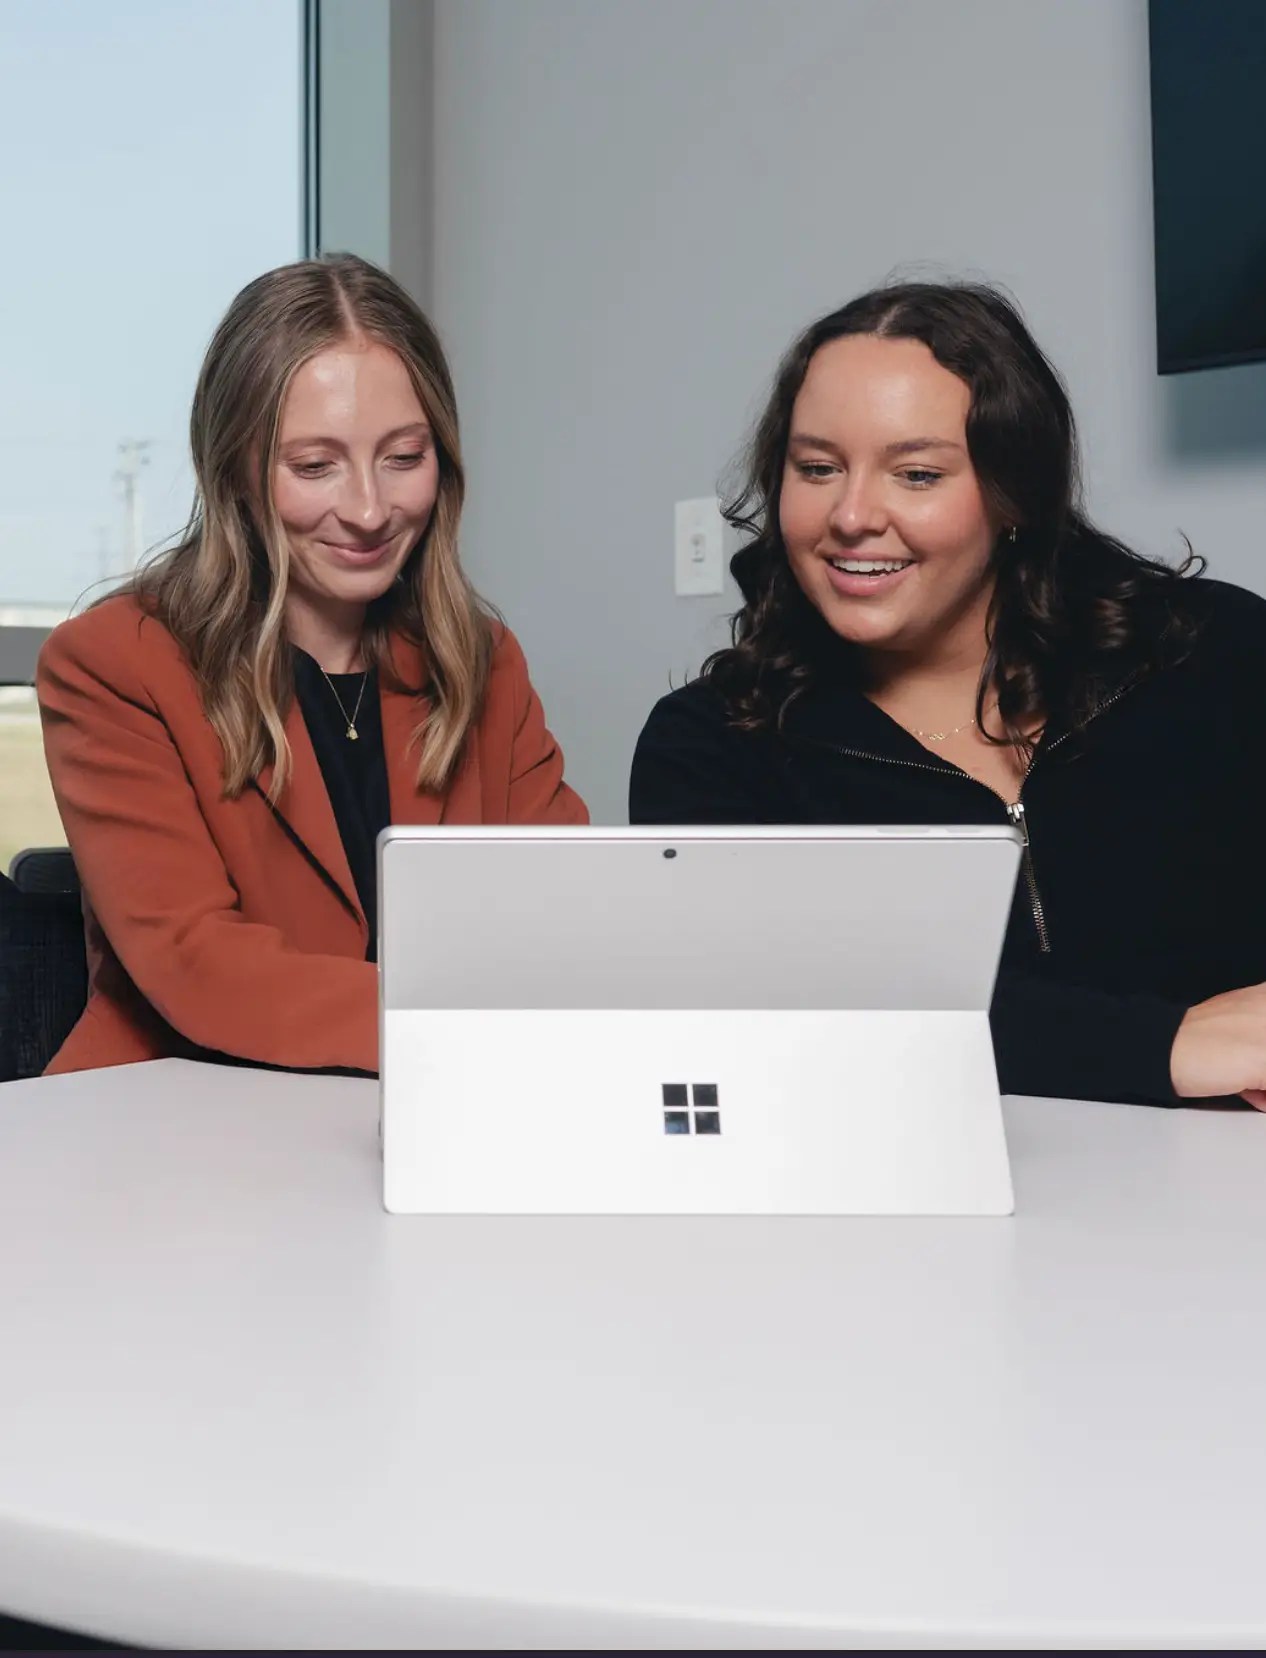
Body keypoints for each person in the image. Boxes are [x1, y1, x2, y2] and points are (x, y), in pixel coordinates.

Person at [630, 281, 1266, 1111]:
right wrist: (1171, 1046)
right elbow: (791, 1022)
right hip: (909, 1214)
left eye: (917, 473)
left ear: (1013, 496)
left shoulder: (1214, 653)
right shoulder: (712, 746)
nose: (852, 515)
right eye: (817, 468)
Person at [38, 253, 586, 1077]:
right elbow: (197, 963)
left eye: (404, 457)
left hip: (441, 1107)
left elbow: (568, 913)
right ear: (236, 472)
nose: (369, 509)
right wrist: (460, 1035)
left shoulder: (483, 662)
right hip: (174, 1126)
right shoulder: (113, 664)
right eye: (314, 466)